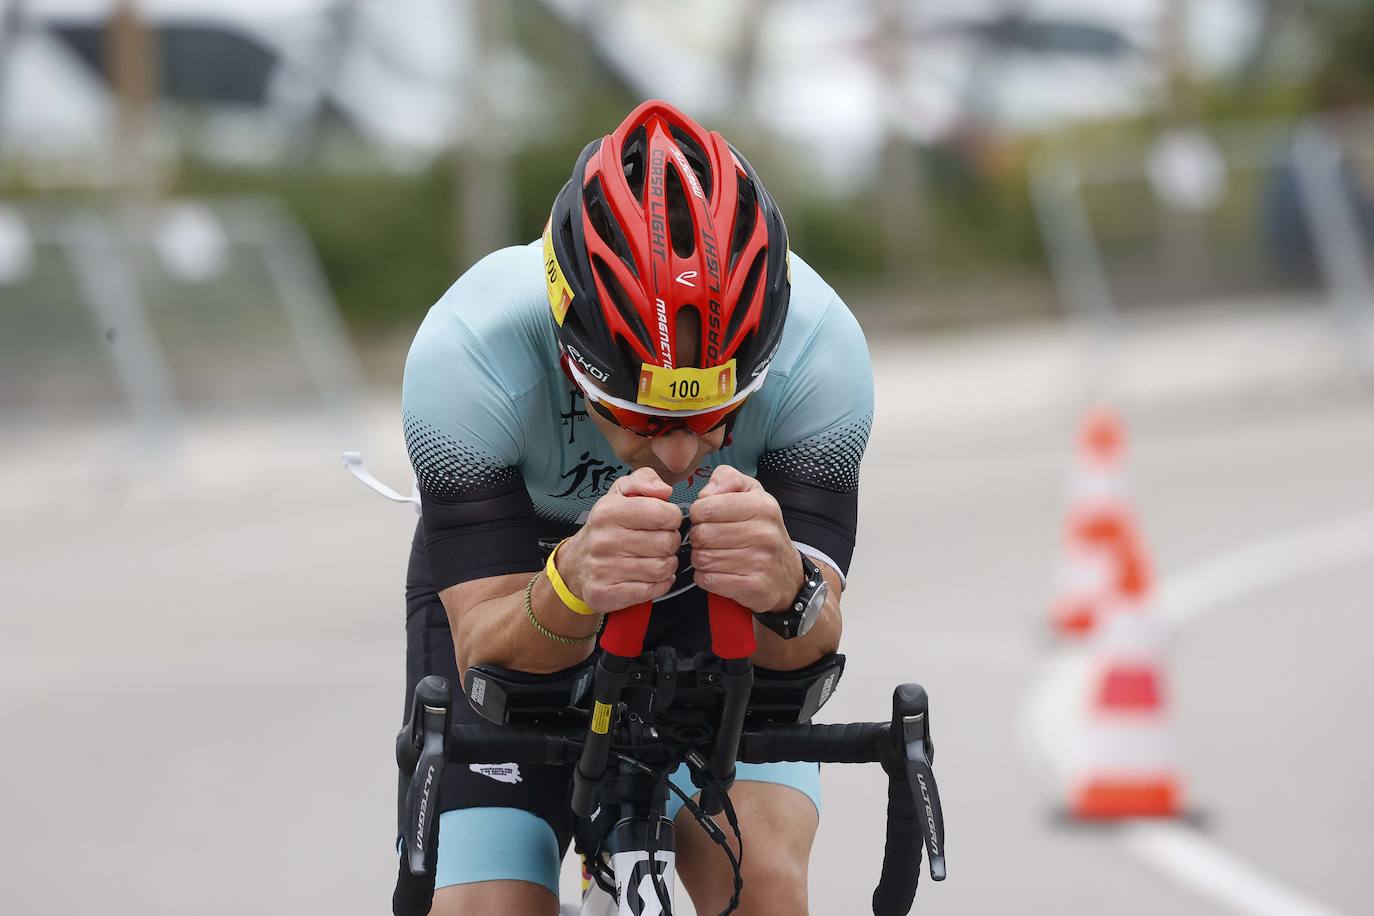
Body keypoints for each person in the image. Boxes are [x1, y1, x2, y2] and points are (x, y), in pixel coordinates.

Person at [401, 99, 873, 916]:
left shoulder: (822, 353)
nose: (684, 455)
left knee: (759, 881)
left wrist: (787, 588)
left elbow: (812, 639)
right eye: (645, 416)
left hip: (720, 583)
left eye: (717, 413)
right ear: (568, 351)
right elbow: (486, 648)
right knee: (490, 904)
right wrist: (573, 585)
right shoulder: (466, 354)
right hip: (532, 573)